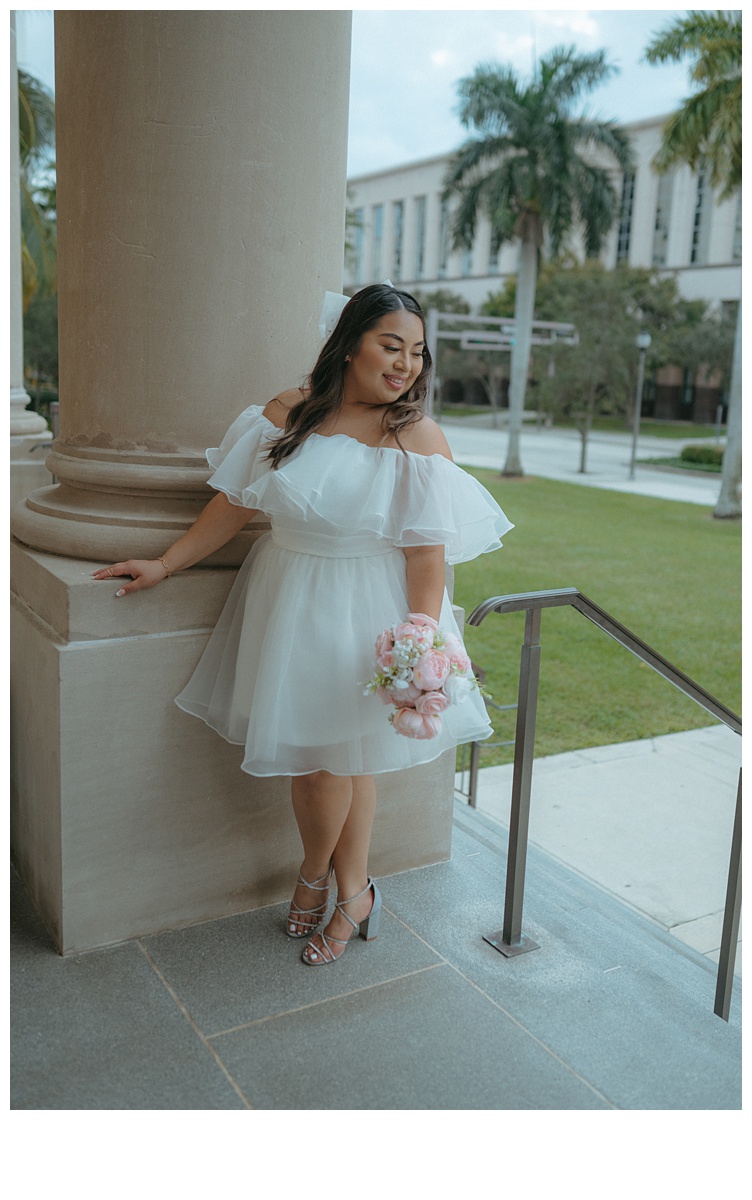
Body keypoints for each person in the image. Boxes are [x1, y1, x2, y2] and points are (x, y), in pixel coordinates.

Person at [92, 283, 513, 966]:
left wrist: (419, 642)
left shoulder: (416, 436)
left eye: (416, 352)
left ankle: (326, 883)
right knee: (325, 763)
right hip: (291, 596)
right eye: (390, 345)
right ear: (349, 345)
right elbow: (233, 504)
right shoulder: (285, 414)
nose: (405, 363)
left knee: (341, 763)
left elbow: (425, 558)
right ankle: (350, 890)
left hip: (370, 612)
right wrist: (166, 563)